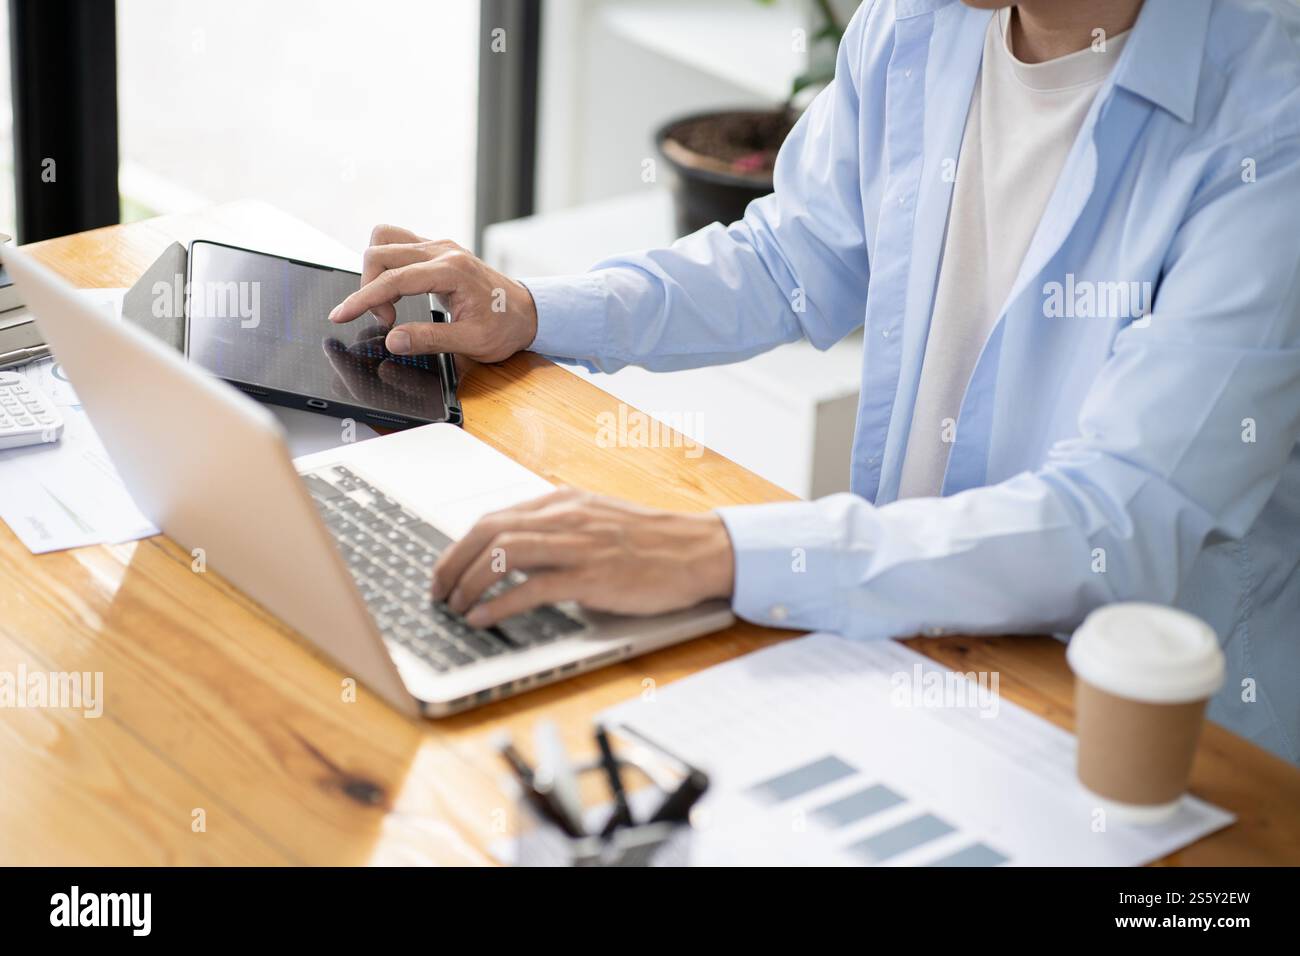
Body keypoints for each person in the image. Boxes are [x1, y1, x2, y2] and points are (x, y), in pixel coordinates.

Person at [329, 0, 1300, 764]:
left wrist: (719, 549)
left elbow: (1112, 521)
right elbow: (795, 257)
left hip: (1160, 755)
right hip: (913, 645)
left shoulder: (1270, 129)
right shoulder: (919, 24)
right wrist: (534, 308)